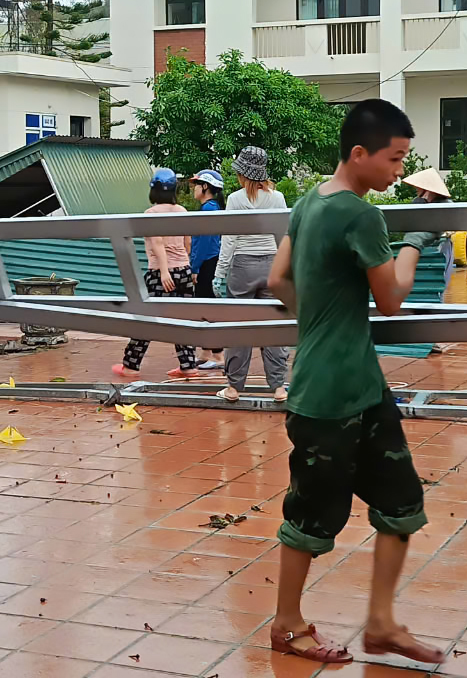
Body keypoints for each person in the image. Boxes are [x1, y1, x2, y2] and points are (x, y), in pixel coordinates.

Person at [266, 100, 444, 666]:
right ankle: (287, 623)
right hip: (328, 399)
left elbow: (278, 280)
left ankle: (382, 624)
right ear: (359, 153)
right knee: (311, 517)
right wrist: (414, 238)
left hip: (356, 385)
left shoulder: (308, 201)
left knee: (401, 504)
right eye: (394, 159)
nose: (399, 172)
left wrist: (320, 320)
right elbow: (392, 299)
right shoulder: (361, 216)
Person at [214, 147, 289, 402]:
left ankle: (234, 387)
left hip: (243, 267)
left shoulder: (235, 199)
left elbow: (229, 239)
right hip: (271, 265)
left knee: (240, 326)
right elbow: (283, 237)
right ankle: (278, 387)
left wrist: (219, 272)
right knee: (272, 326)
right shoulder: (277, 198)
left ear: (242, 173)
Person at [113, 169, 200, 379]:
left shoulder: (151, 214)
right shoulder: (182, 211)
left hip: (160, 273)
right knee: (183, 319)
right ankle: (188, 366)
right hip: (184, 270)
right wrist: (183, 265)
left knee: (145, 319)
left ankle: (131, 365)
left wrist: (164, 271)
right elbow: (188, 241)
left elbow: (157, 242)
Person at [188, 169, 225, 368]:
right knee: (204, 308)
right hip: (210, 262)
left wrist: (195, 267)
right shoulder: (212, 208)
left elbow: (202, 244)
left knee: (207, 308)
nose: (194, 188)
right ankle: (206, 352)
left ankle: (218, 356)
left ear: (205, 187)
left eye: (196, 184)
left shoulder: (209, 210)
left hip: (206, 263)